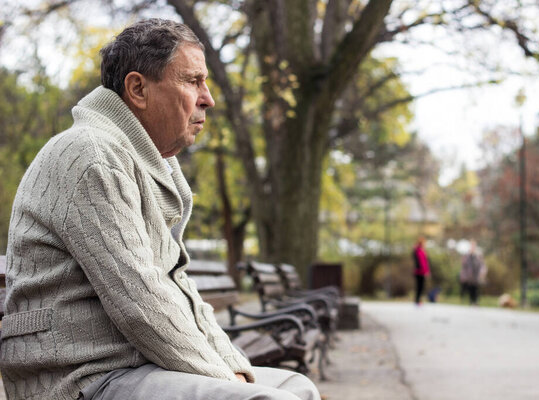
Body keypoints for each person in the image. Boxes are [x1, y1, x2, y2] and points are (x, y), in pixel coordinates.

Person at [0, 19, 320, 400]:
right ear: (138, 89)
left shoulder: (144, 160)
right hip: (81, 375)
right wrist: (223, 377)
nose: (208, 98)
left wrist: (234, 368)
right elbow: (139, 300)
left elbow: (178, 287)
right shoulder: (90, 155)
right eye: (192, 81)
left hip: (135, 364)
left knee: (295, 386)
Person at [460, 239, 487, 305]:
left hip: (476, 275)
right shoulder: (467, 255)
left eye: (473, 245)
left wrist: (482, 273)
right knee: (470, 288)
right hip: (469, 276)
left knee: (476, 288)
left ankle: (475, 301)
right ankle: (471, 301)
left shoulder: (478, 255)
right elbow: (464, 265)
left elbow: (482, 265)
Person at [412, 237, 430, 305]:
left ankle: (418, 299)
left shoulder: (419, 250)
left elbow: (425, 262)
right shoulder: (419, 251)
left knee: (420, 286)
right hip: (420, 271)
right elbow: (422, 262)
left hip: (420, 271)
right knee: (420, 286)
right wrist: (425, 271)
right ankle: (417, 300)